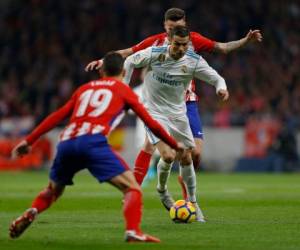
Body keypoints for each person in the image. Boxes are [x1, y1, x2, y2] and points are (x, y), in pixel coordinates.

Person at [9, 52, 185, 243]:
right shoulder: (123, 90)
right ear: (124, 70)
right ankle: (133, 231)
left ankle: (31, 212)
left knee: (53, 190)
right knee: (132, 188)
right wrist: (175, 145)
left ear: (101, 70)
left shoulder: (84, 89)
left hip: (67, 142)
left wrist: (29, 140)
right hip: (92, 142)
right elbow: (152, 124)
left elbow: (58, 116)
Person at [85, 7, 262, 194]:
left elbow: (222, 48)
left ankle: (184, 186)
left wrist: (245, 41)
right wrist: (104, 60)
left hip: (187, 101)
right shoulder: (156, 43)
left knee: (196, 153)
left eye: (177, 27)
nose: (173, 32)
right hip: (159, 103)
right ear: (165, 27)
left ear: (185, 24)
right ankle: (133, 191)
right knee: (150, 146)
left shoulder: (194, 40)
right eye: (170, 28)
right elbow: (129, 53)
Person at [123, 25, 229, 222]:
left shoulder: (193, 60)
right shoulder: (155, 53)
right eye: (177, 44)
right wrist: (125, 89)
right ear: (169, 41)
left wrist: (221, 89)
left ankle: (193, 202)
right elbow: (130, 60)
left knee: (187, 158)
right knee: (168, 156)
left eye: (184, 45)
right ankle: (163, 191)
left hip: (179, 116)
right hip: (154, 113)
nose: (181, 49)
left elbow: (216, 78)